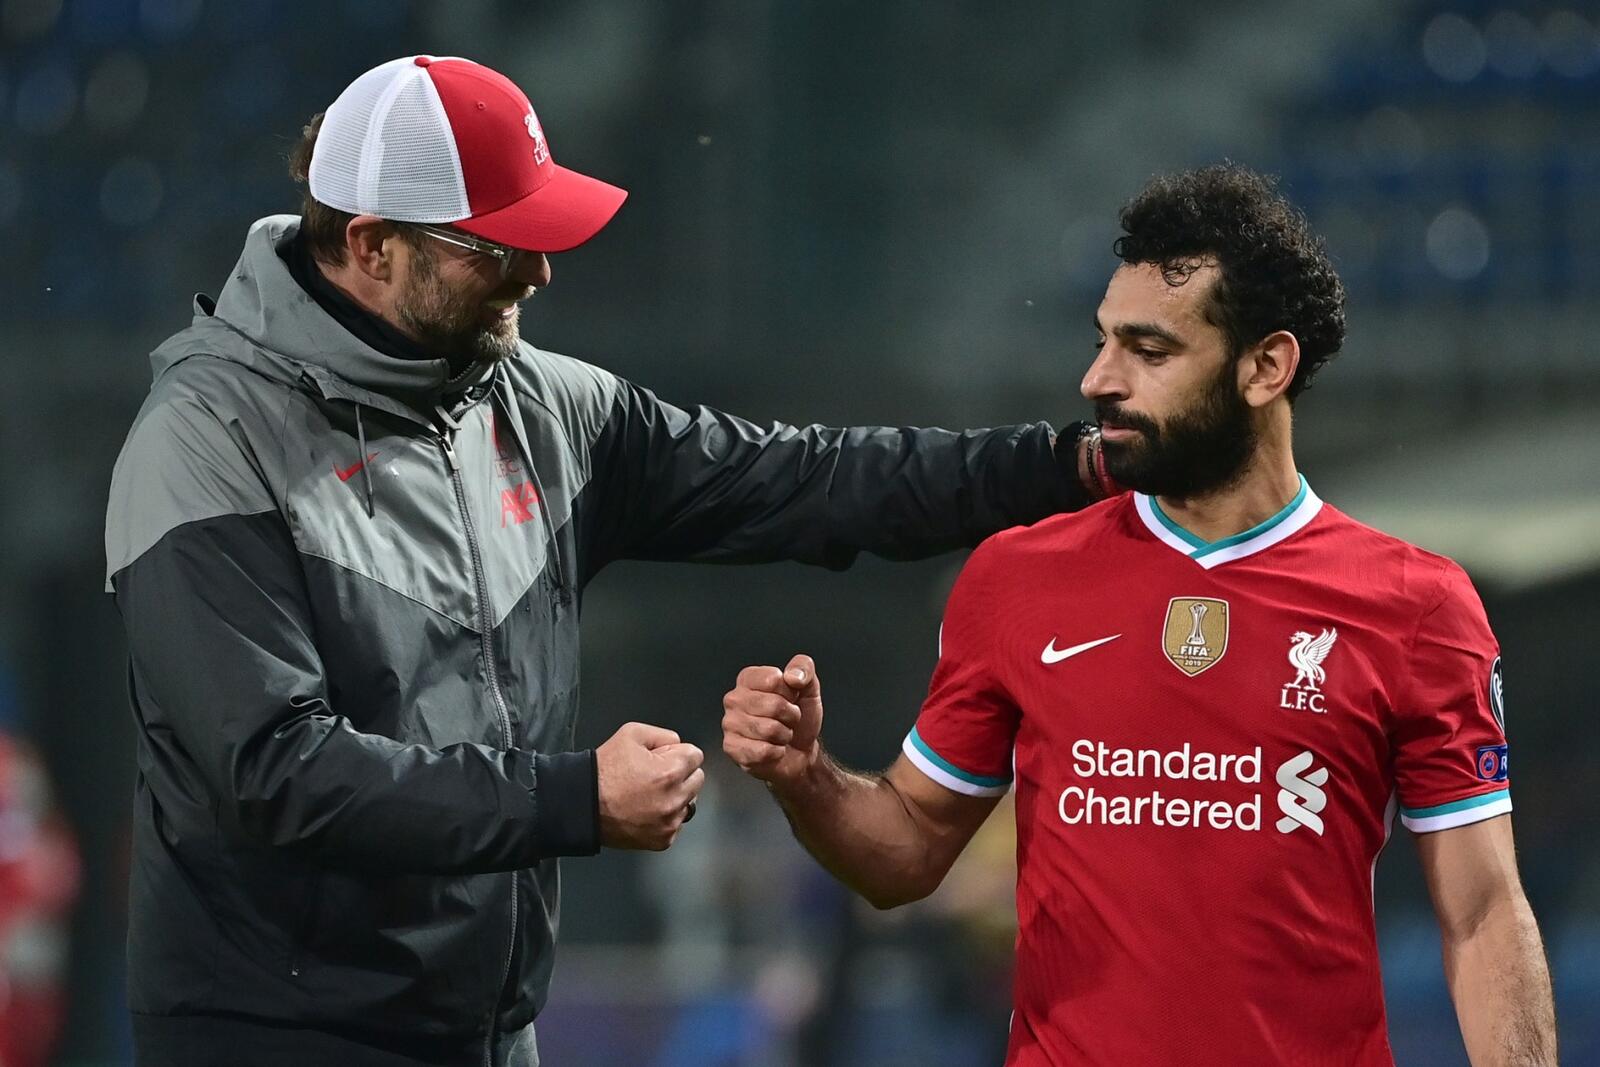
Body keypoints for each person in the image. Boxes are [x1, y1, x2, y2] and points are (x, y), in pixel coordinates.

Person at [102, 55, 1115, 1067]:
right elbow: (275, 771)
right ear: (371, 246)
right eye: (494, 244)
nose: (538, 272)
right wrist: (572, 798)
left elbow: (801, 481)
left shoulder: (542, 402)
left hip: (489, 1032)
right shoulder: (205, 438)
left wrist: (1065, 464)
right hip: (271, 1035)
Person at [722, 164, 1558, 1066]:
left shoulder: (1416, 605)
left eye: (1148, 352)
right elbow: (910, 849)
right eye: (1102, 341)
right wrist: (805, 775)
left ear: (1266, 366)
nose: (1097, 379)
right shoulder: (1015, 576)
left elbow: (1480, 912)